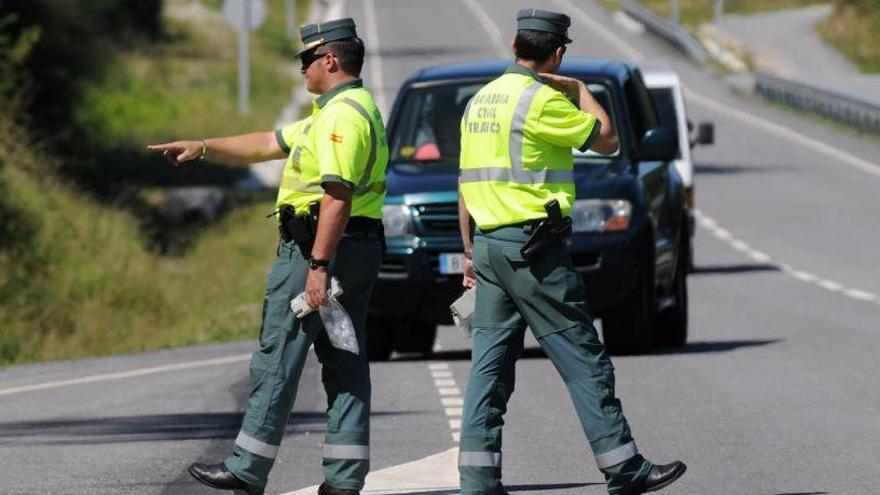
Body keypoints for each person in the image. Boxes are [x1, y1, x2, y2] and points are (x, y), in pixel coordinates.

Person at [148, 18, 388, 495]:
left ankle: (247, 469)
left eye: (306, 61)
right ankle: (344, 480)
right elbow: (266, 143)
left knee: (278, 357)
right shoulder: (343, 109)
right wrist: (201, 148)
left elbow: (337, 195)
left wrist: (317, 266)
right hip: (356, 249)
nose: (301, 71)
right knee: (344, 360)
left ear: (330, 60)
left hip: (318, 250)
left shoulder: (339, 117)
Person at [455, 9, 687, 495]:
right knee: (584, 357)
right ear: (557, 53)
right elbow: (606, 140)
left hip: (490, 246)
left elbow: (465, 183)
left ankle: (477, 480)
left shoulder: (480, 101)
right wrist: (583, 93)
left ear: (516, 45)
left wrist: (470, 250)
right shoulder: (538, 101)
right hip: (533, 251)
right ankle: (624, 468)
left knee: (489, 366)